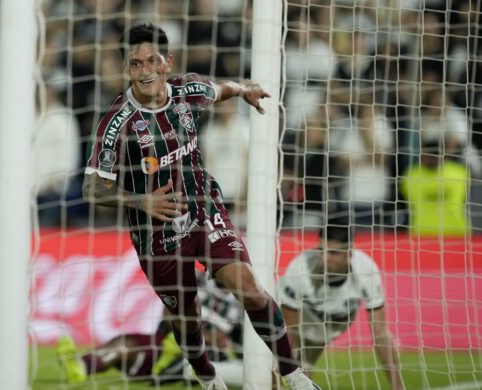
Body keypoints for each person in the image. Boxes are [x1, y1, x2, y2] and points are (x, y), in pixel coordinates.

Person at [82, 23, 320, 390]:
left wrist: (245, 91)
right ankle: (207, 377)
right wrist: (140, 200)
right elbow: (92, 188)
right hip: (156, 233)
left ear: (167, 62)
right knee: (187, 317)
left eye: (152, 61)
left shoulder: (187, 89)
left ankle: (293, 374)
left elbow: (220, 89)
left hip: (203, 206)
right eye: (135, 64)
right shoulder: (116, 122)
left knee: (249, 287)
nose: (145, 71)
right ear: (126, 68)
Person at [57, 271, 246, 387]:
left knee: (130, 348)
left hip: (204, 355)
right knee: (125, 345)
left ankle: (172, 364)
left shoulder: (242, 303)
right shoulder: (195, 278)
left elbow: (230, 343)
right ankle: (80, 365)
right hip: (169, 341)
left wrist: (207, 338)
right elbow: (169, 310)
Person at [279, 224, 404, 390]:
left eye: (333, 253)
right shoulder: (299, 270)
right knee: (278, 368)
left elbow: (380, 333)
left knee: (303, 375)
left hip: (327, 329)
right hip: (295, 321)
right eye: (321, 250)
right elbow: (289, 330)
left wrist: (398, 386)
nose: (324, 258)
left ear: (349, 254)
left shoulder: (367, 271)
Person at [400, 141, 469, 236]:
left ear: (444, 155)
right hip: (421, 233)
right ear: (421, 156)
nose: (432, 158)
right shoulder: (411, 175)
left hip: (456, 232)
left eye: (436, 155)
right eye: (429, 155)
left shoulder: (460, 173)